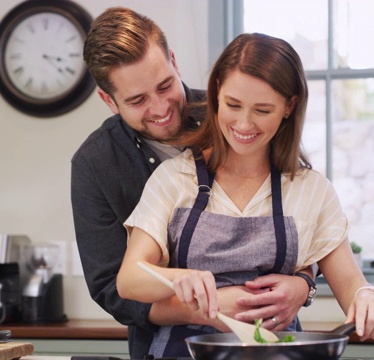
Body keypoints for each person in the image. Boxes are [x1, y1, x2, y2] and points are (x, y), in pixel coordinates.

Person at [117, 32, 374, 357]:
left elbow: (351, 284)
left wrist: (369, 297)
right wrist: (177, 278)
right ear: (217, 90)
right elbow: (130, 278)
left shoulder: (311, 190)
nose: (244, 124)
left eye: (262, 110)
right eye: (233, 105)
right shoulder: (174, 178)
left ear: (289, 106)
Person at [72, 7, 315, 359]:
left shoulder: (236, 117)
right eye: (137, 100)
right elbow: (114, 289)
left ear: (173, 61)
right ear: (108, 100)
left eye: (165, 85)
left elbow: (305, 215)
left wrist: (302, 283)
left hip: (268, 344)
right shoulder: (95, 164)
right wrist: (208, 309)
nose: (160, 108)